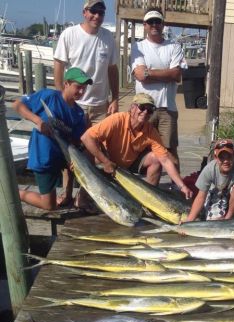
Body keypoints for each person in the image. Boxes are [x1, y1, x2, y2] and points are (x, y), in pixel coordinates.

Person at [53, 0, 119, 206]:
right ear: (84, 12)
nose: (97, 16)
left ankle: (85, 195)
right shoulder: (70, 34)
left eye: (101, 12)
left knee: (92, 151)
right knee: (70, 150)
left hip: (99, 104)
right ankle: (67, 193)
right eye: (93, 11)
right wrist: (60, 95)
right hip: (75, 104)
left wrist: (115, 98)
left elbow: (113, 69)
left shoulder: (108, 37)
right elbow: (58, 64)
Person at [80, 93, 193, 199]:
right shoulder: (117, 119)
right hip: (107, 159)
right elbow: (86, 137)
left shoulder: (151, 131)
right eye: (142, 107)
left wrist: (182, 186)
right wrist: (105, 161)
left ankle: (149, 199)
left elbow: (165, 160)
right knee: (89, 153)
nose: (145, 112)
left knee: (156, 159)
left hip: (131, 162)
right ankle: (83, 198)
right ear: (132, 108)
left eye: (150, 110)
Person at [13, 68, 92, 211]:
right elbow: (17, 104)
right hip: (44, 157)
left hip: (61, 156)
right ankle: (16, 193)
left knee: (78, 161)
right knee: (49, 206)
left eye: (84, 88)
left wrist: (78, 159)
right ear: (66, 83)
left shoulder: (79, 113)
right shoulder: (49, 96)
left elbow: (77, 142)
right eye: (78, 87)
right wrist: (38, 121)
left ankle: (67, 196)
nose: (81, 92)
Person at [130, 7, 186, 171]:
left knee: (169, 150)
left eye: (157, 21)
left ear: (163, 24)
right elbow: (140, 75)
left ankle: (176, 188)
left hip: (167, 108)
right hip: (142, 109)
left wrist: (150, 73)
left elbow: (176, 74)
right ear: (145, 25)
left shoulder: (174, 46)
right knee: (139, 148)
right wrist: (165, 73)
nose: (154, 25)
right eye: (150, 22)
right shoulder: (138, 47)